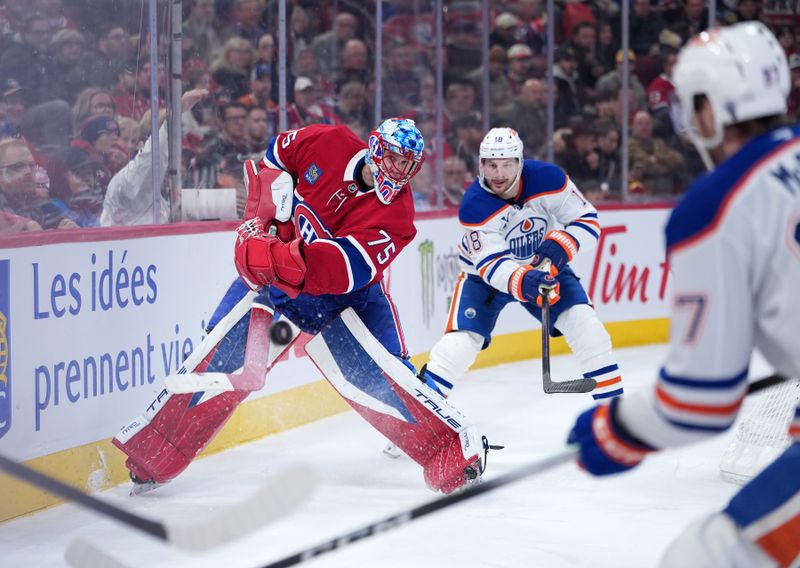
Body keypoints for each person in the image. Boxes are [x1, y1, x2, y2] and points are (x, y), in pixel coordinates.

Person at [114, 119, 487, 495]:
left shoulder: (398, 216)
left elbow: (340, 273)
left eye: (408, 164)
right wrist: (260, 221)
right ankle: (157, 449)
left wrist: (270, 253)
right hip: (281, 293)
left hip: (350, 303)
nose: (398, 171)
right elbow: (276, 156)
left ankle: (451, 450)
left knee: (390, 379)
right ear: (374, 147)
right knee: (223, 354)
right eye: (392, 158)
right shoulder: (329, 140)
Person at [566, 22, 800, 567]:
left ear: (709, 110)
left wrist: (617, 430)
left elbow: (703, 400)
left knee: (705, 557)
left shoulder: (716, 205)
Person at [423, 127, 624, 402]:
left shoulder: (548, 179)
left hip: (543, 266)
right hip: (484, 279)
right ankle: (417, 421)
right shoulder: (475, 204)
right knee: (461, 344)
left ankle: (612, 411)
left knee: (587, 327)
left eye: (507, 164)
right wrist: (526, 281)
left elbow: (588, 221)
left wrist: (562, 245)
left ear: (520, 162)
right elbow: (492, 266)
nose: (499, 174)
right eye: (491, 165)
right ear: (481, 165)